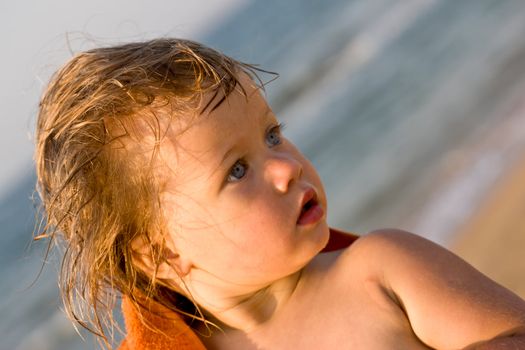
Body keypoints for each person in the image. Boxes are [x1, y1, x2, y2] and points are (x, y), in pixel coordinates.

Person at [35, 38, 525, 349]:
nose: (288, 167)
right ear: (162, 252)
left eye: (273, 135)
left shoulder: (381, 273)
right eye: (238, 170)